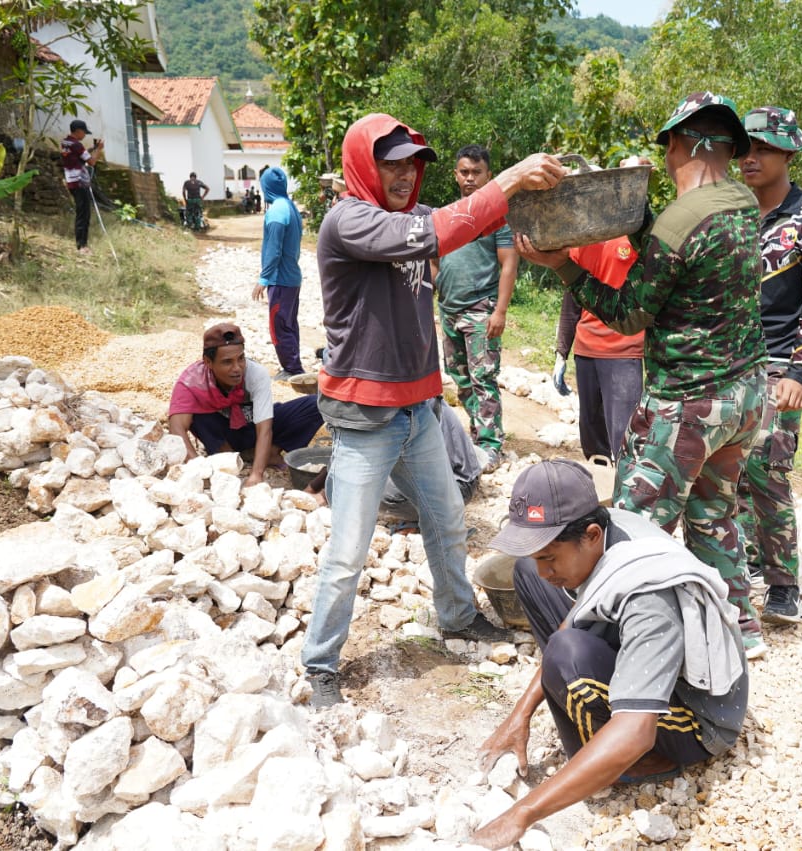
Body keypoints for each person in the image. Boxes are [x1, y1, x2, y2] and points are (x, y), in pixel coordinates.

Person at [301, 112, 565, 707]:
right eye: (389, 161)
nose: (402, 173)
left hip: (418, 409)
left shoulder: (417, 217)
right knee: (347, 552)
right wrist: (513, 177)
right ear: (365, 165)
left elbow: (469, 222)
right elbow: (439, 232)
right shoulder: (349, 221)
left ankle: (455, 613)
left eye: (411, 162)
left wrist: (544, 197)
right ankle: (320, 662)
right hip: (365, 418)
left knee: (448, 519)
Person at [515, 92, 770, 659]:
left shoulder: (680, 221)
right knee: (714, 511)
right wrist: (642, 226)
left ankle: (603, 632)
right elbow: (687, 268)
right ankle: (739, 628)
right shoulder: (741, 202)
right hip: (744, 395)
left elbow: (629, 311)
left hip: (688, 404)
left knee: (631, 524)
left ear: (679, 143)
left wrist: (562, 266)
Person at [471, 460, 747, 850]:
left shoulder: (648, 596)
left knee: (567, 656)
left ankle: (632, 768)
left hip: (699, 719)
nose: (545, 568)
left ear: (591, 535)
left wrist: (522, 814)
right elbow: (572, 620)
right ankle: (596, 736)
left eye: (549, 555)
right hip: (649, 652)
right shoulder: (606, 531)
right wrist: (521, 715)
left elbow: (636, 731)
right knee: (528, 578)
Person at [736, 107, 802, 624]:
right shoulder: (731, 212)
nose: (749, 159)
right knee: (725, 474)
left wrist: (798, 373)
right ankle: (743, 570)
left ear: (789, 153)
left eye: (762, 149)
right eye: (744, 150)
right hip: (728, 365)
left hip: (779, 365)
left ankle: (783, 587)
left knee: (769, 473)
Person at [431, 145, 519, 470]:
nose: (470, 178)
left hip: (481, 310)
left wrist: (501, 312)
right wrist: (437, 290)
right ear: (456, 174)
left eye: (476, 172)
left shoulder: (497, 219)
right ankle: (476, 434)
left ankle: (491, 446)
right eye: (464, 172)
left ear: (488, 175)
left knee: (484, 378)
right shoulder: (448, 214)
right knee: (460, 377)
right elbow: (434, 260)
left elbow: (509, 264)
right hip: (449, 310)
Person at [168, 323, 324, 488]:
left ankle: (269, 452)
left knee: (315, 404)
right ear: (208, 362)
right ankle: (228, 458)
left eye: (240, 358)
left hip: (251, 427)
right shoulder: (191, 382)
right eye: (227, 362)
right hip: (223, 435)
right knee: (195, 414)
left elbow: (264, 429)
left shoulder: (256, 374)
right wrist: (197, 469)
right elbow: (176, 428)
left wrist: (256, 474)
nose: (237, 368)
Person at [304, 399, 483, 525]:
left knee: (374, 491)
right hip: (454, 475)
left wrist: (323, 496)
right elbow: (348, 449)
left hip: (457, 484)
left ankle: (430, 519)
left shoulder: (392, 404)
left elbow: (356, 455)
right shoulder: (391, 391)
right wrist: (313, 488)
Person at [553, 235, 644, 463]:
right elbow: (571, 300)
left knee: (625, 433)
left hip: (624, 350)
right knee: (591, 433)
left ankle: (628, 490)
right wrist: (561, 351)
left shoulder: (636, 239)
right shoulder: (582, 242)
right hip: (586, 350)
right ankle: (600, 487)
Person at [251, 166, 305, 380]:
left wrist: (263, 278)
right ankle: (294, 364)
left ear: (266, 187)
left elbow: (274, 249)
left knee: (279, 325)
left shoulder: (276, 212)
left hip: (280, 280)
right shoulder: (290, 207)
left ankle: (292, 369)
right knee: (289, 323)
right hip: (292, 277)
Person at [61, 119, 103, 254]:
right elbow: (91, 162)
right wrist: (99, 150)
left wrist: (90, 149)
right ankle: (82, 245)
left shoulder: (65, 143)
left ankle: (82, 244)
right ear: (78, 131)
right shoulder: (77, 145)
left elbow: (77, 157)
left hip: (71, 181)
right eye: (84, 132)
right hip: (79, 182)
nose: (84, 135)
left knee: (81, 212)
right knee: (84, 214)